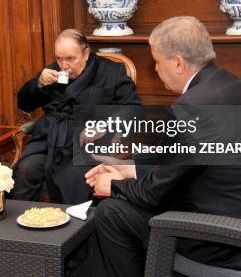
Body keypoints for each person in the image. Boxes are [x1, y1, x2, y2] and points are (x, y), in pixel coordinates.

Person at [86, 16, 241, 276]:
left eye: (157, 62)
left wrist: (112, 186)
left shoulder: (193, 106)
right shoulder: (237, 86)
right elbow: (190, 161)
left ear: (178, 63)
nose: (156, 70)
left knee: (112, 213)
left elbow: (154, 193)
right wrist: (131, 169)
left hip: (240, 242)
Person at [11, 29, 143, 204]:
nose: (64, 65)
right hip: (51, 138)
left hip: (89, 141)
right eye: (59, 59)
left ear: (86, 53)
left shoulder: (111, 72)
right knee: (26, 170)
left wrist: (105, 125)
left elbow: (134, 110)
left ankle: (74, 227)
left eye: (70, 59)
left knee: (71, 176)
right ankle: (22, 224)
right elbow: (24, 104)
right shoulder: (51, 72)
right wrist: (38, 84)